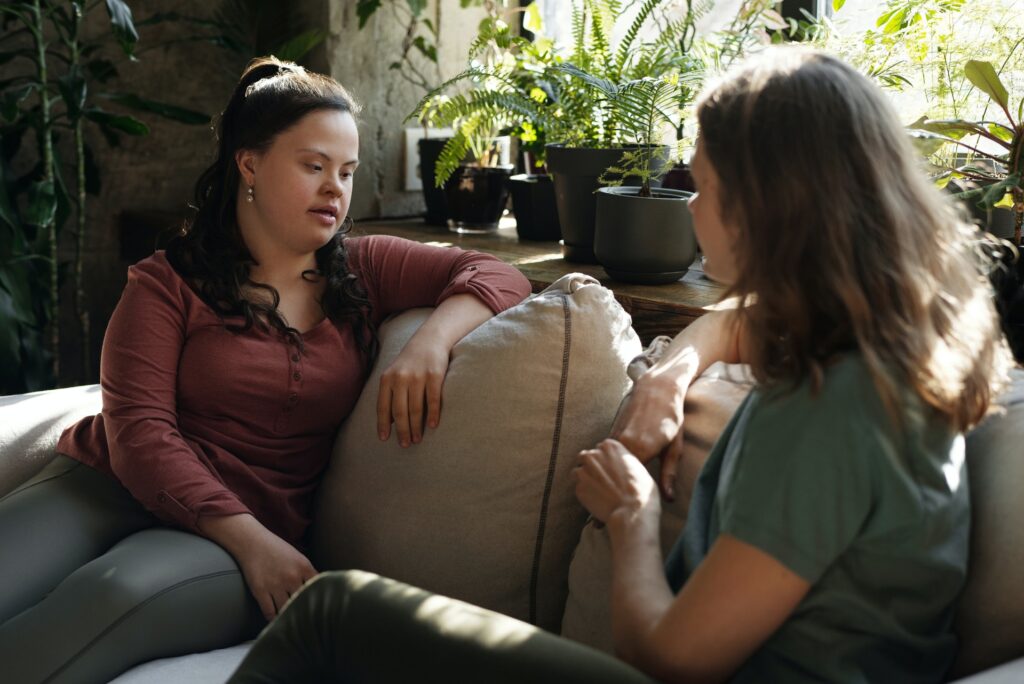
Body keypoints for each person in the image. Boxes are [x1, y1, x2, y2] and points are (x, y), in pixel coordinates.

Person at [225, 47, 1014, 684]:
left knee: (334, 610)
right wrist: (671, 375)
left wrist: (633, 516)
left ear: (768, 204)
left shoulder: (827, 419)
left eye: (699, 184)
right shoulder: (884, 348)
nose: (689, 205)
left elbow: (672, 656)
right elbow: (748, 322)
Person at [0, 57, 530, 684]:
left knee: (113, 593)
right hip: (100, 487)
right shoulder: (165, 285)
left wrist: (431, 342)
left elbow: (500, 274)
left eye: (348, 172)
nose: (336, 188)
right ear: (248, 164)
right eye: (314, 166)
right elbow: (140, 434)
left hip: (230, 539)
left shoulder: (365, 267)